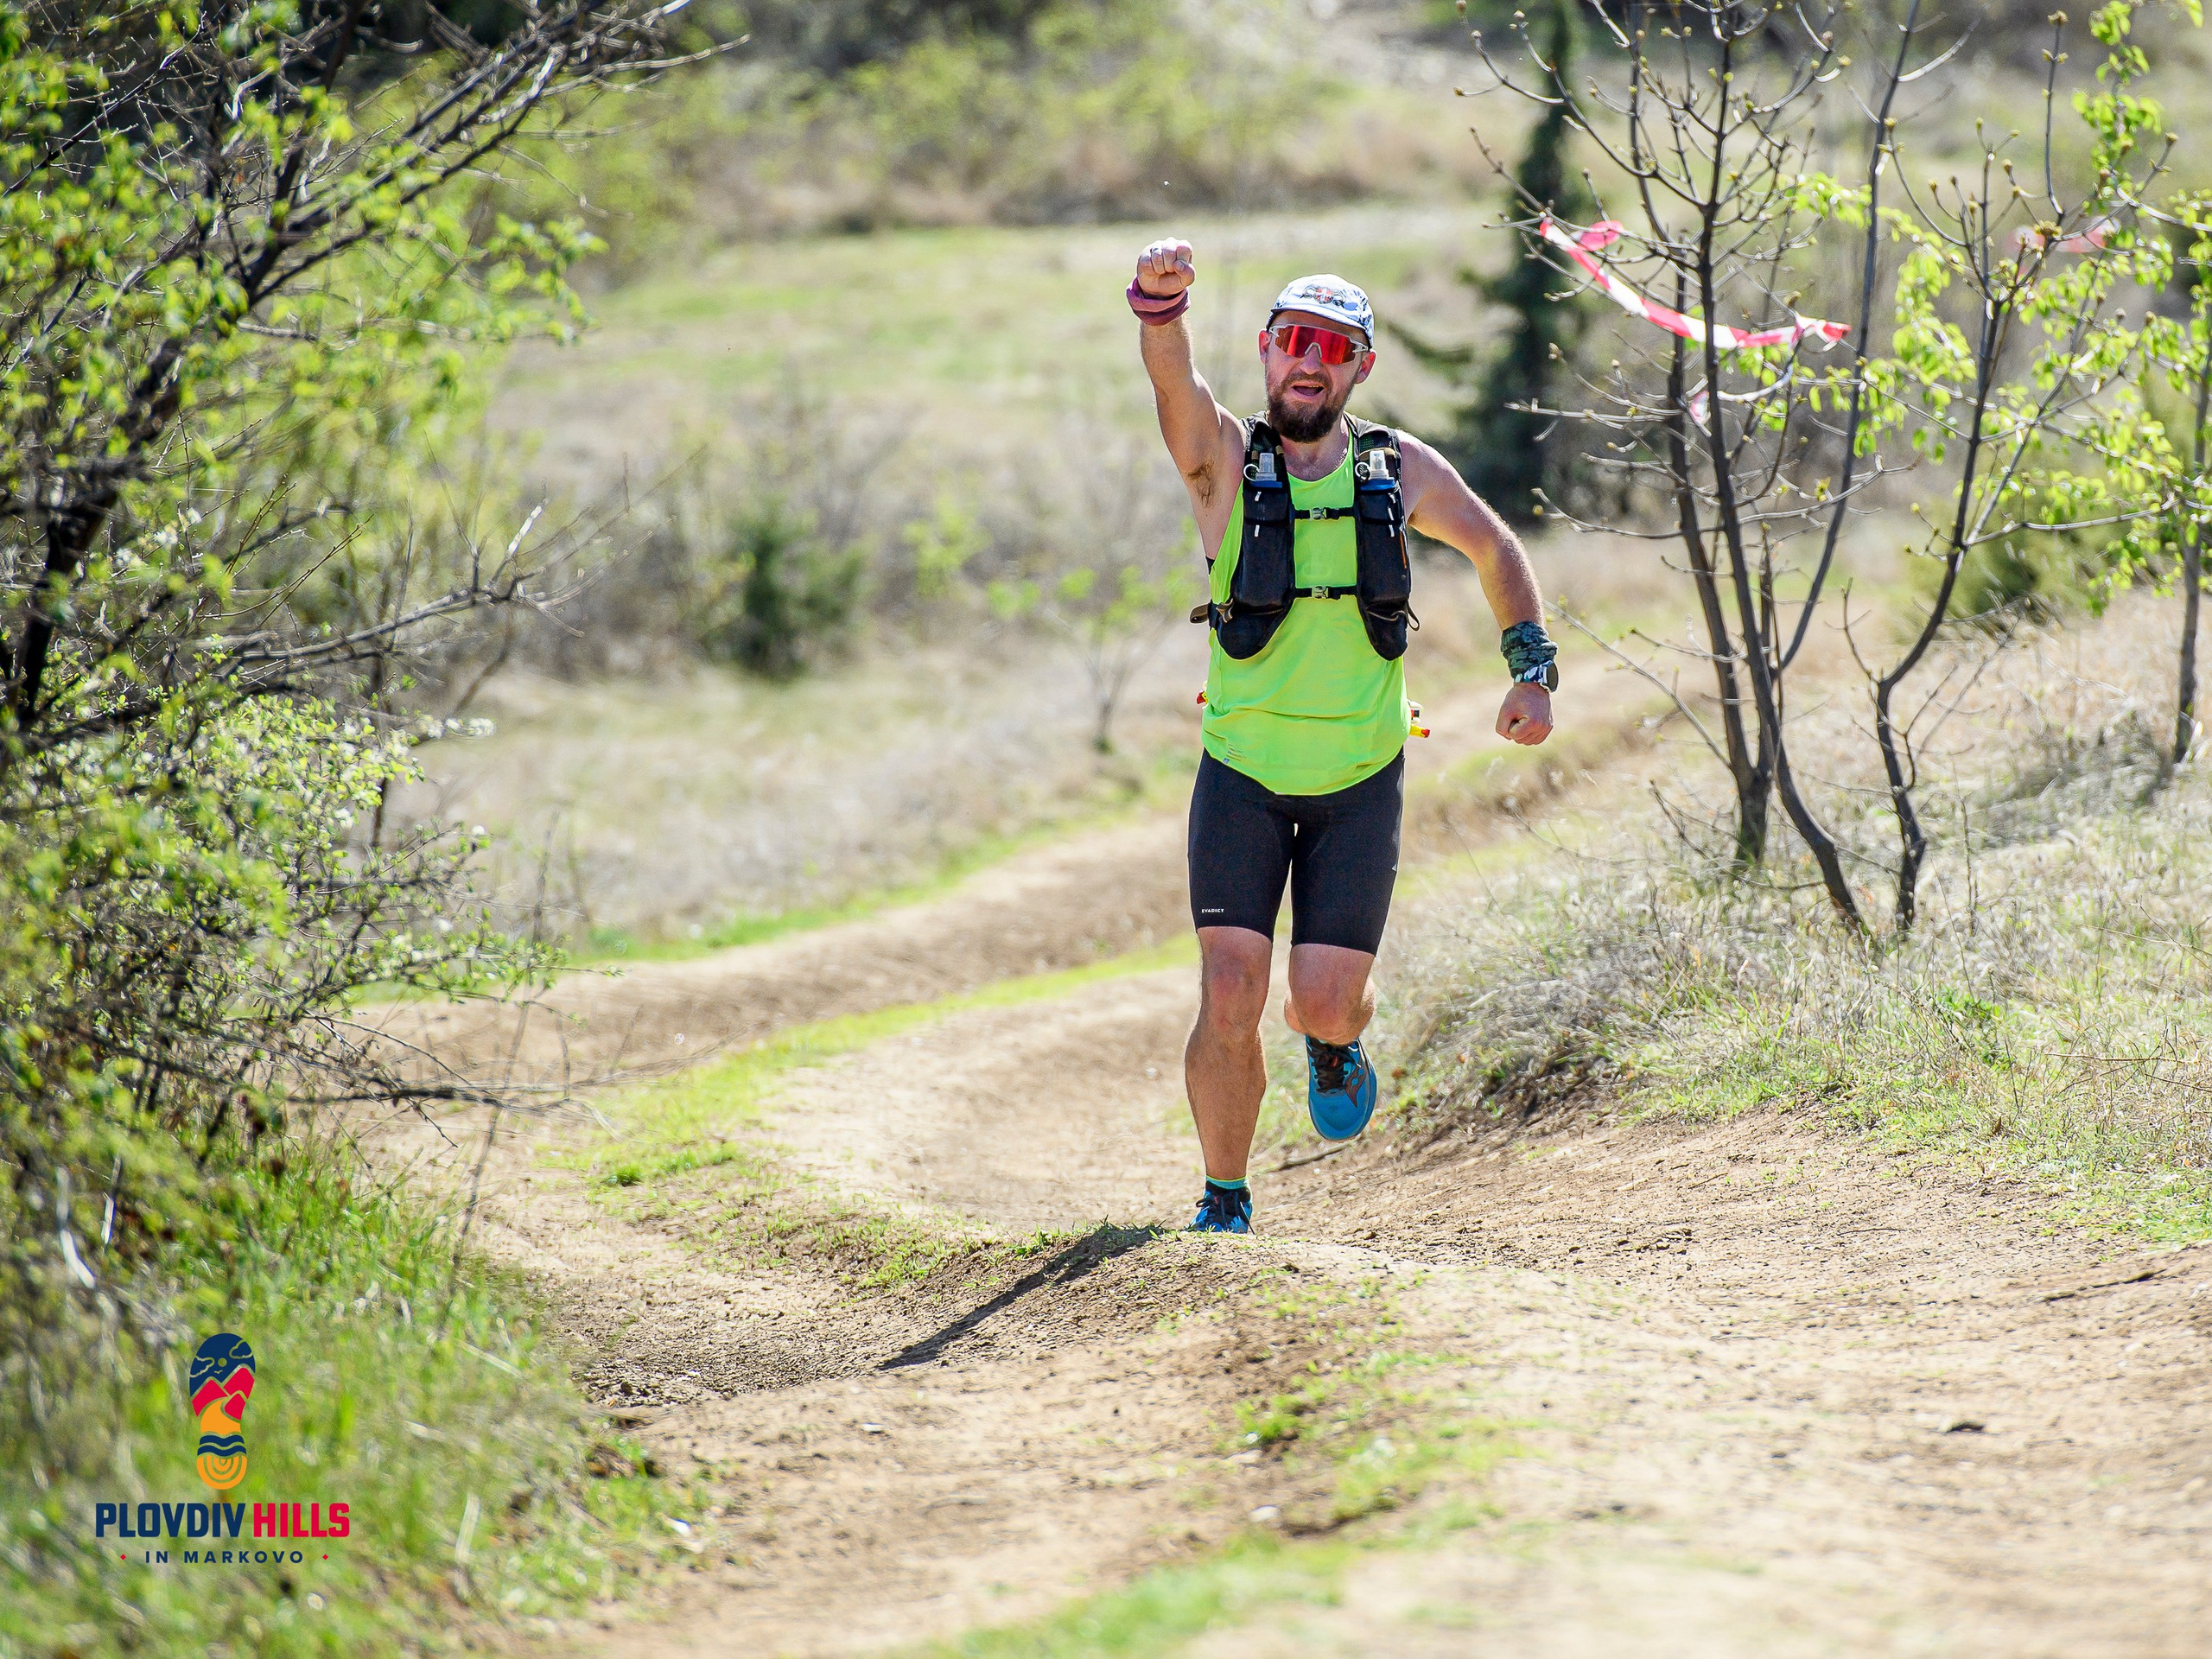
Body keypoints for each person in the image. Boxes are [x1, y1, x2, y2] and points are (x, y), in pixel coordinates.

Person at [1129, 240, 1558, 1236]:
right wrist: (1160, 309)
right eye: (1290, 342)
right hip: (1241, 775)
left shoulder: (1397, 468)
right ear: (1268, 354)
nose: (1307, 362)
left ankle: (1333, 1042)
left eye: (1331, 346)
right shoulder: (1223, 465)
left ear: (1361, 365)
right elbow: (1175, 386)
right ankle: (1224, 1199)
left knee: (1321, 1001)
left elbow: (1495, 544)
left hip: (1359, 780)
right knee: (1230, 989)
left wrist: (1530, 667)